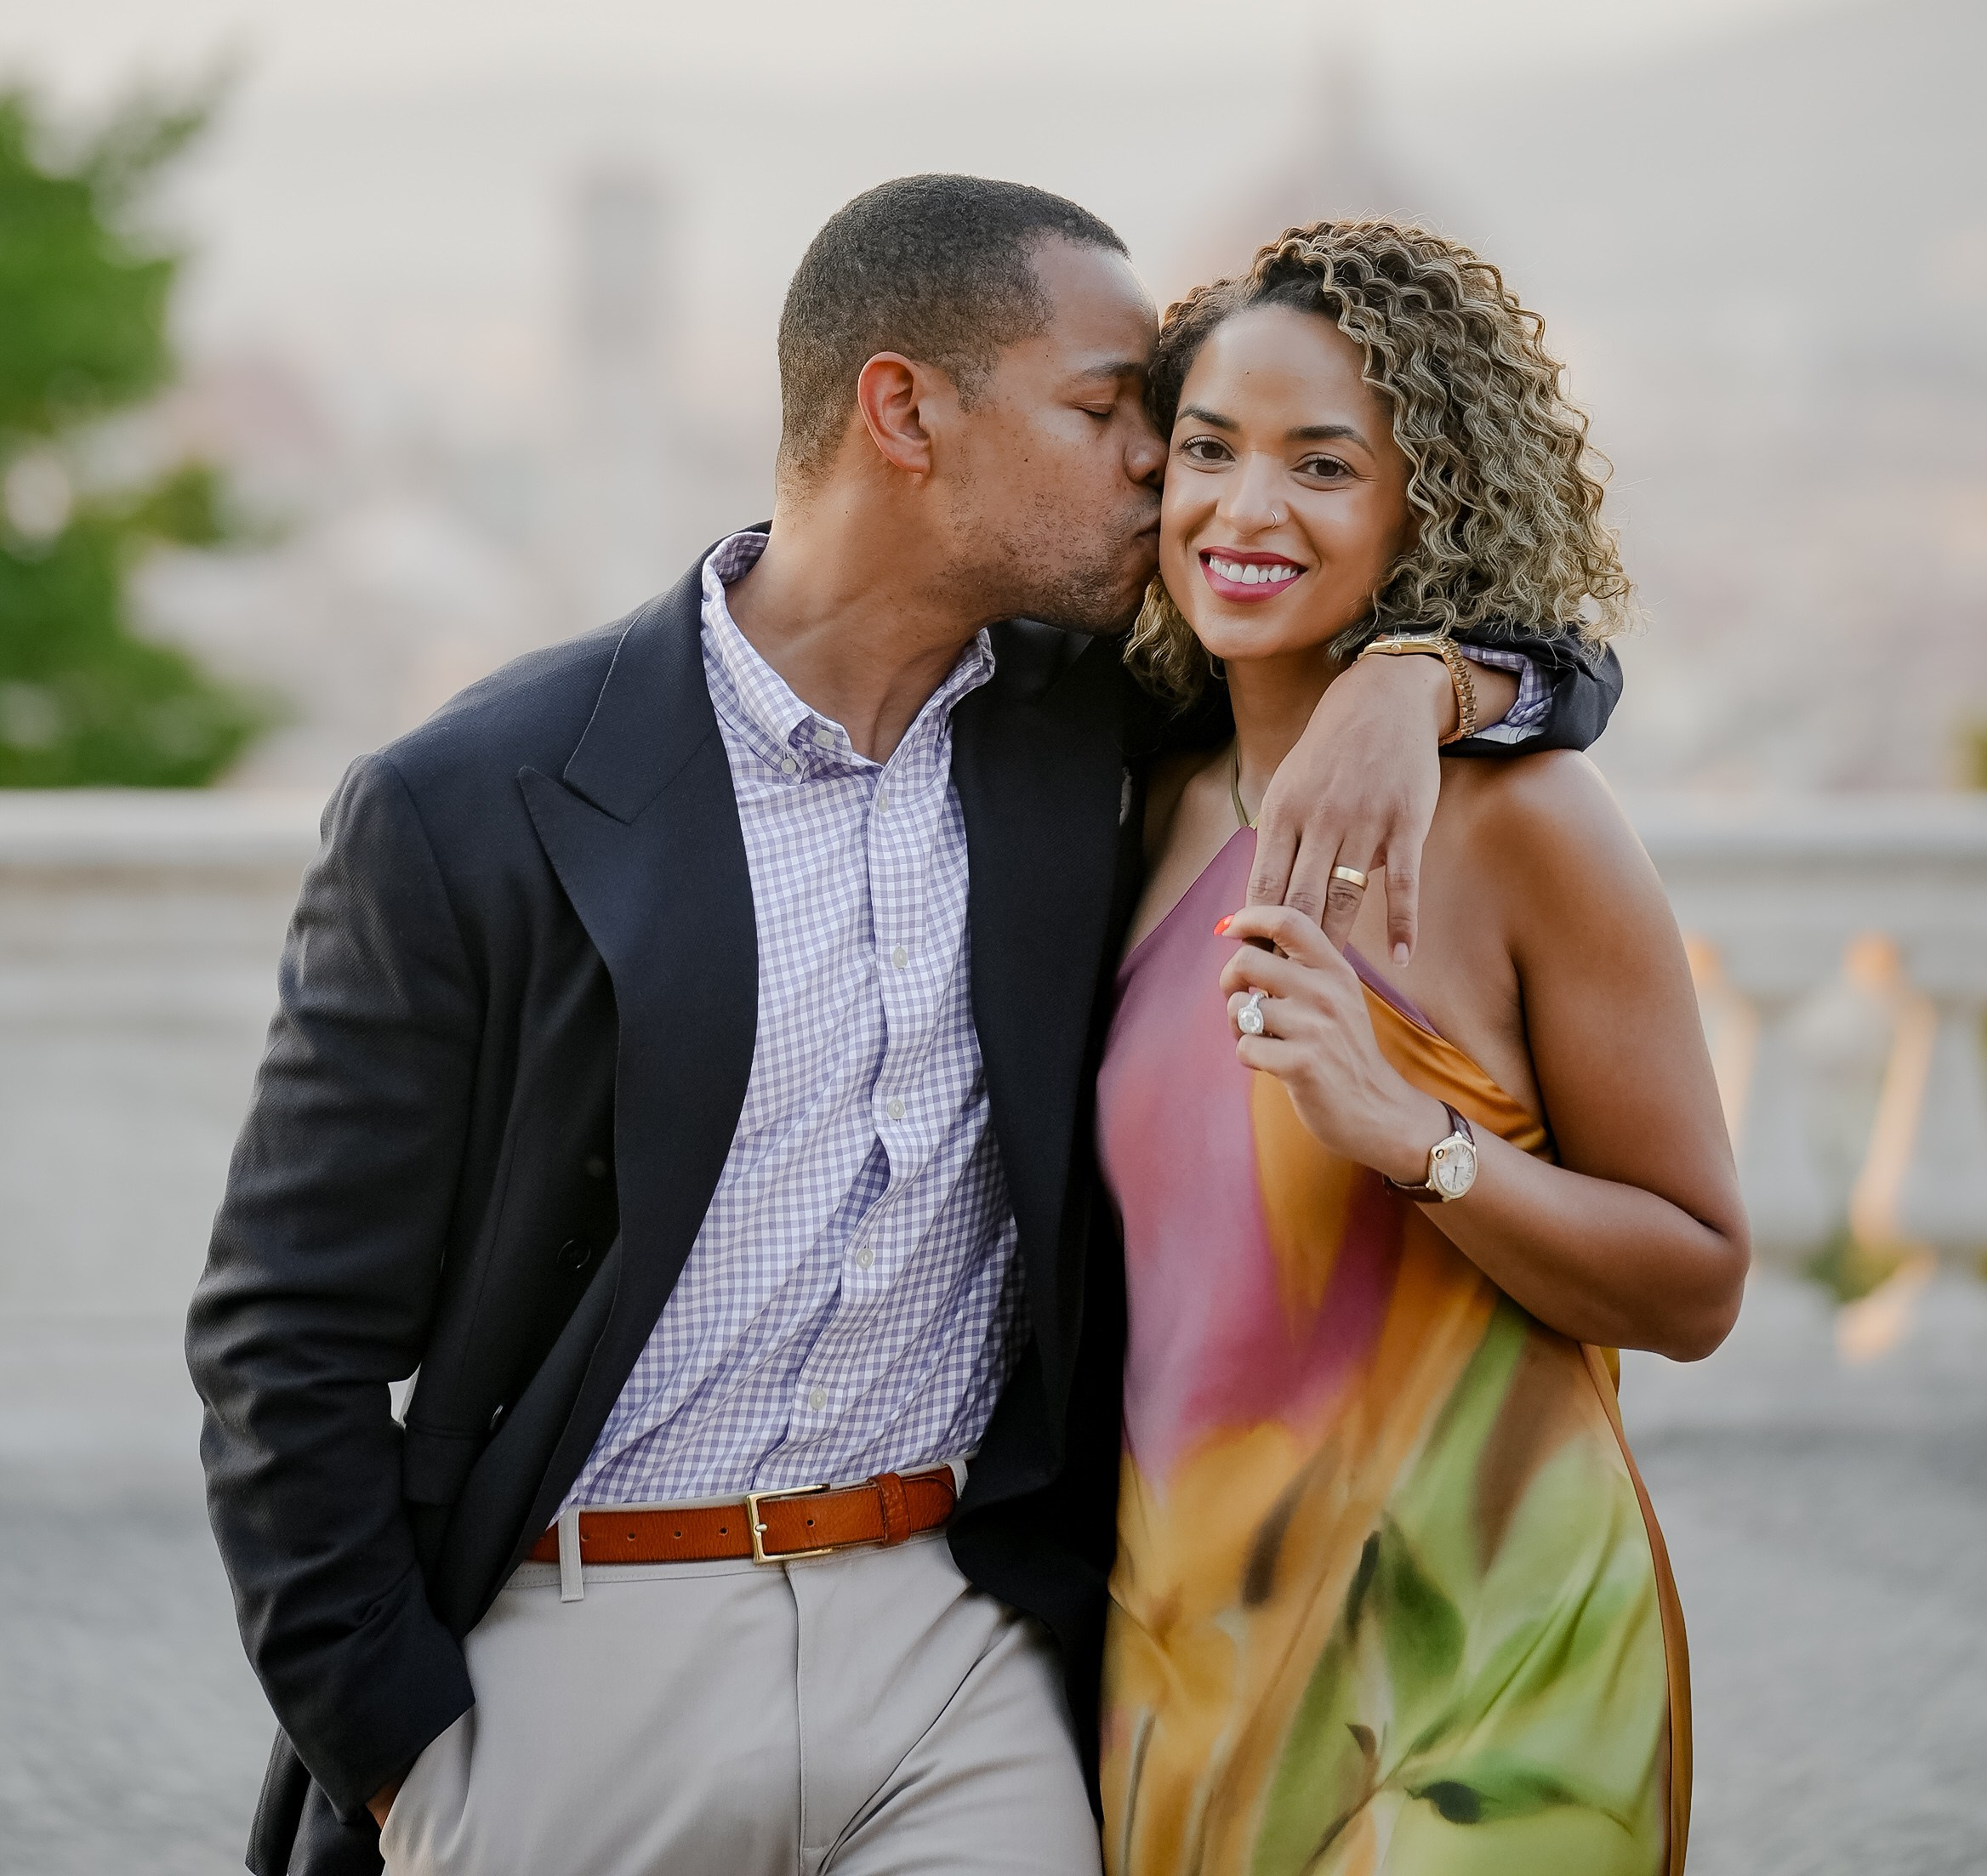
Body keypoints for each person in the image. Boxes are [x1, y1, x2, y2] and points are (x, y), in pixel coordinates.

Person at [188, 176, 1619, 1876]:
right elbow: (284, 1337)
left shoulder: (1082, 736)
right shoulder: (473, 802)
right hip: (577, 1645)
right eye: (1108, 412)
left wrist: (1429, 680)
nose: (1160, 470)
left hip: (960, 1658)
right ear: (903, 412)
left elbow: (1554, 659)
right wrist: (403, 1755)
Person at [1096, 219, 1747, 1876]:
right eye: (1209, 452)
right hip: (1185, 1666)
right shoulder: (1121, 809)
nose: (1246, 513)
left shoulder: (1528, 826)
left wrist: (1413, 1137)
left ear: (1421, 509)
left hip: (1492, 1676)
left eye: (1325, 467)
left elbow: (1694, 1283)